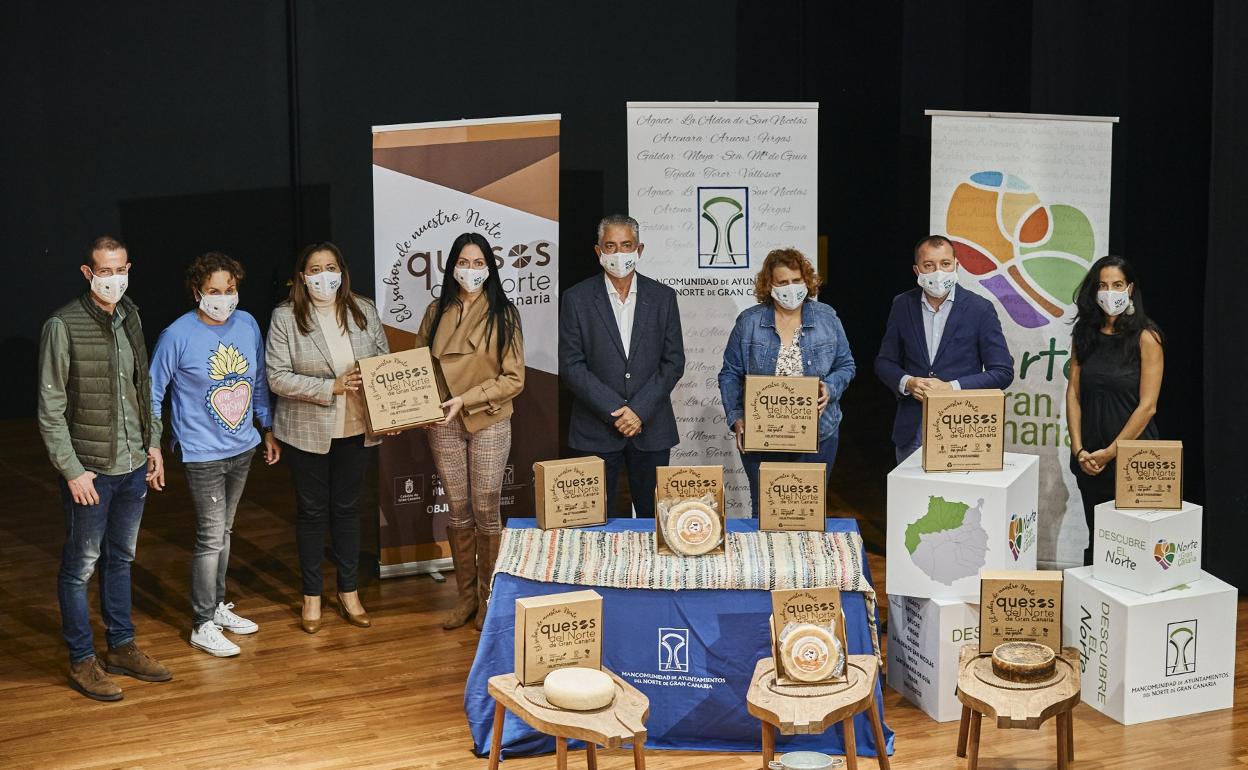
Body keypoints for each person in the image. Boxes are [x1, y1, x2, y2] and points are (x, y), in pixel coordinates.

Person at [37, 235, 172, 701]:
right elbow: (50, 408)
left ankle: (121, 646)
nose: (114, 279)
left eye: (120, 270)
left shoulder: (131, 315)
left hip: (133, 464)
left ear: (128, 268)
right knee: (80, 568)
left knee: (122, 558)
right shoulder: (62, 325)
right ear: (87, 273)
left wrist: (152, 444)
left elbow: (143, 386)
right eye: (105, 271)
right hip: (91, 471)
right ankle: (82, 659)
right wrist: (72, 470)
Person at [148, 252, 280, 657]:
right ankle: (202, 623)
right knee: (210, 536)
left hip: (242, 447)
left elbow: (258, 380)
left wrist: (267, 426)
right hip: (201, 451)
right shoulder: (177, 335)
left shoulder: (248, 323)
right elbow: (153, 391)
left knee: (225, 531)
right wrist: (153, 444)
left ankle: (217, 606)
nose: (224, 299)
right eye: (214, 291)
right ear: (197, 292)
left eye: (230, 290)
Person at [266, 242, 389, 633]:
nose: (324, 276)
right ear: (303, 277)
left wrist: (392, 409)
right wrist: (329, 387)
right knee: (312, 512)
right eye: (315, 270)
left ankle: (349, 592)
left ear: (342, 272)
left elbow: (385, 365)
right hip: (307, 432)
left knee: (349, 510)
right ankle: (312, 596)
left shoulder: (364, 309)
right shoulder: (285, 316)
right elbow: (277, 376)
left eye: (331, 267)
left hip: (356, 426)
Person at [415, 232, 524, 631]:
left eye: (479, 263)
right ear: (452, 267)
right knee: (458, 508)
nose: (471, 270)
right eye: (464, 262)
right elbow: (420, 367)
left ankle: (488, 599)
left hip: (488, 419)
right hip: (443, 423)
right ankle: (465, 599)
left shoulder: (504, 313)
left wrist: (467, 399)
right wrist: (423, 406)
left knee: (486, 507)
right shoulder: (436, 310)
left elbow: (514, 379)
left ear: (490, 268)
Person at [559, 214, 685, 518]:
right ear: (598, 251)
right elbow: (571, 365)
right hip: (595, 429)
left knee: (653, 520)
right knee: (596, 522)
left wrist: (638, 410)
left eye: (626, 245)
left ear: (639, 250)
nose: (619, 254)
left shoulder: (663, 298)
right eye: (610, 246)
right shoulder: (576, 299)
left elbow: (673, 361)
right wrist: (615, 410)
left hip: (651, 428)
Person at [718, 248, 855, 516]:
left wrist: (829, 388)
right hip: (762, 436)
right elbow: (730, 373)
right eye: (782, 282)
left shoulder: (827, 318)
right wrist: (737, 417)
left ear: (807, 281)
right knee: (765, 512)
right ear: (769, 285)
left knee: (807, 512)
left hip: (820, 433)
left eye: (796, 280)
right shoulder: (749, 322)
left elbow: (846, 365)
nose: (790, 288)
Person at [874, 235, 1014, 464]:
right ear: (917, 270)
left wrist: (951, 387)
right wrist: (908, 382)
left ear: (956, 265)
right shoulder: (902, 304)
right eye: (929, 265)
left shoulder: (980, 309)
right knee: (910, 488)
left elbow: (1003, 372)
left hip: (962, 428)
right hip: (912, 430)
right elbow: (884, 362)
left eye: (945, 264)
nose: (938, 272)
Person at [1066, 256, 1163, 566]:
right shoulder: (1084, 333)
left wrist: (1110, 453)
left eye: (1117, 285)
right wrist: (1079, 450)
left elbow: (1148, 407)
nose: (1110, 292)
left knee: (1130, 549)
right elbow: (1073, 394)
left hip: (1132, 460)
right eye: (1103, 286)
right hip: (1089, 460)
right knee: (1098, 540)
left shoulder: (1146, 337)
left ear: (1129, 289)